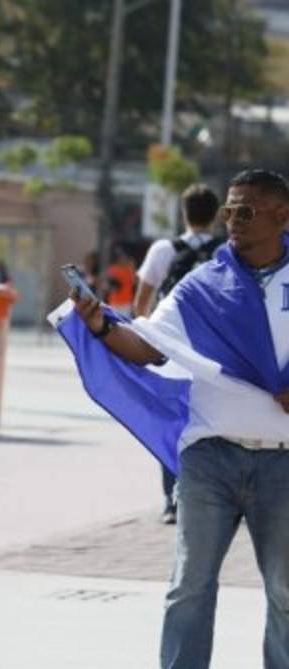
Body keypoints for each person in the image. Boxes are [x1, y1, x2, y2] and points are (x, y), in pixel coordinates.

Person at [67, 168, 289, 669]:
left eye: (248, 211)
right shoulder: (202, 287)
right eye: (230, 211)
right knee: (189, 585)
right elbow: (146, 346)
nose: (234, 222)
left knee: (286, 589)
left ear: (282, 217)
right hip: (210, 458)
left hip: (283, 463)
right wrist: (99, 323)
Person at [133, 184, 224, 525]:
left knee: (173, 422)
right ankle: (212, 498)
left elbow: (143, 300)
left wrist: (143, 338)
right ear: (216, 215)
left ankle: (171, 500)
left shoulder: (164, 249)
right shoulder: (226, 251)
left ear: (183, 213)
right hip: (213, 351)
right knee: (210, 421)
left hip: (171, 349)